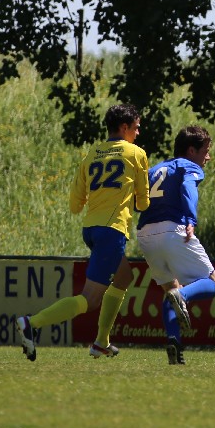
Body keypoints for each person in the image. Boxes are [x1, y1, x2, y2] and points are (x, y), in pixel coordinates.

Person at [14, 103, 150, 361]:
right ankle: (31, 323)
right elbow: (142, 203)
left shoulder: (92, 154)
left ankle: (101, 342)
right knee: (90, 299)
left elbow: (75, 205)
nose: (138, 132)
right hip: (111, 230)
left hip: (91, 229)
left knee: (124, 277)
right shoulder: (136, 153)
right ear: (124, 127)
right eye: (136, 128)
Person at [136, 124, 215, 365]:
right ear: (191, 150)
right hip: (173, 231)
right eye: (205, 151)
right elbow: (187, 187)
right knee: (213, 285)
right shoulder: (189, 166)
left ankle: (174, 343)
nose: (208, 157)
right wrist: (191, 219)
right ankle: (182, 295)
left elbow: (137, 200)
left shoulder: (155, 169)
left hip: (145, 234)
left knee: (169, 291)